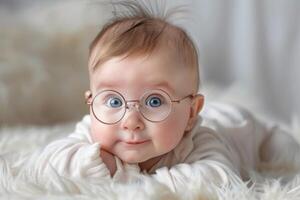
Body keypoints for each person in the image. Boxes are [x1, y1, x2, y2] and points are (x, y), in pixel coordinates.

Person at [31, 1, 300, 192]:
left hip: (245, 126)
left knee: (285, 147)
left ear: (191, 113)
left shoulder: (201, 142)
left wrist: (127, 177)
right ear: (91, 103)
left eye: (154, 101)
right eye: (114, 101)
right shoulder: (96, 132)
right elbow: (44, 164)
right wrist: (100, 164)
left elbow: (217, 180)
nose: (131, 121)